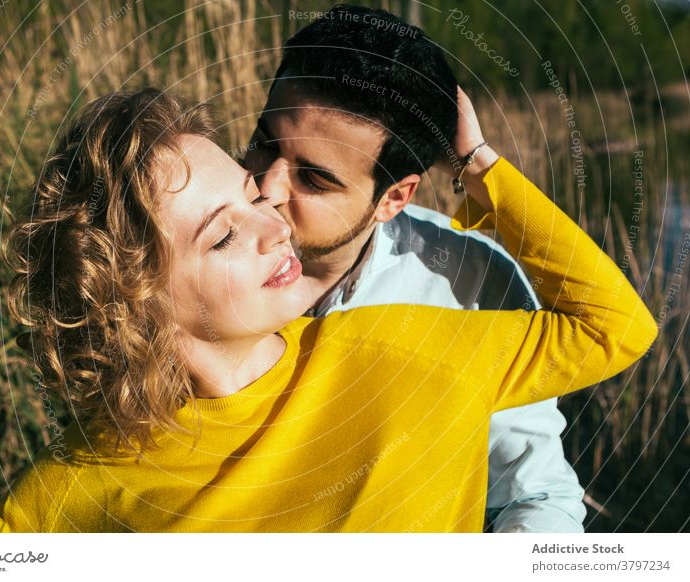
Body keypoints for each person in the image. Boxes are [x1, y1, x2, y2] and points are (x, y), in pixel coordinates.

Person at [0, 86, 656, 533]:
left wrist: (482, 167)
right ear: (131, 302)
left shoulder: (405, 349)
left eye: (253, 197)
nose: (277, 225)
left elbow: (616, 327)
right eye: (223, 235)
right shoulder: (60, 494)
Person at [242, 5, 586, 532]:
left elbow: (535, 493)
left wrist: (477, 162)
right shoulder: (188, 248)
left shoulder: (469, 286)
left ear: (393, 198)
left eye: (314, 179)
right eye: (264, 143)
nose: (266, 187)